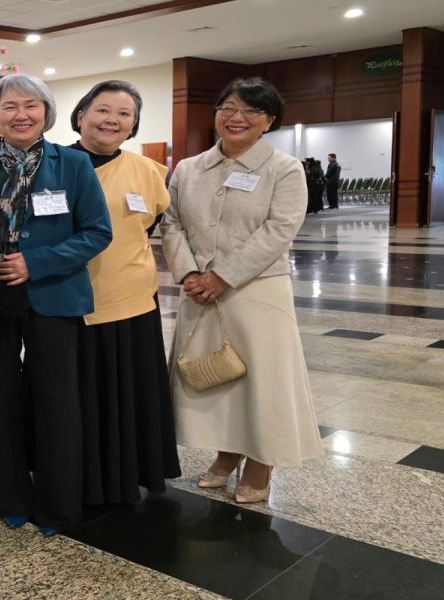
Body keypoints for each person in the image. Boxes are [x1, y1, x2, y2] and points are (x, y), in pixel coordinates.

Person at [159, 77, 322, 505]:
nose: (238, 117)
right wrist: (189, 273)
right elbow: (171, 223)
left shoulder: (284, 169)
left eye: (252, 111)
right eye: (228, 107)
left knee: (262, 381)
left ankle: (262, 462)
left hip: (257, 292)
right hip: (199, 291)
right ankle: (227, 454)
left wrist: (222, 276)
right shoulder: (189, 169)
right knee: (217, 379)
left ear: (269, 121)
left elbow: (280, 230)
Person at [0, 73, 112, 535]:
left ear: (47, 112)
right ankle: (9, 496)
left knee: (57, 403)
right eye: (9, 106)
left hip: (54, 294)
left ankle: (58, 506)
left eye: (31, 105)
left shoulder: (73, 164)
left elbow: (97, 232)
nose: (21, 115)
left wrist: (35, 263)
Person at [67, 80, 181, 506]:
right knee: (81, 394)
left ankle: (131, 471)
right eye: (102, 110)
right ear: (81, 115)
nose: (112, 120)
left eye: (124, 114)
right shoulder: (55, 164)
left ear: (133, 124)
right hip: (71, 302)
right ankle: (81, 475)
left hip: (132, 299)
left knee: (130, 392)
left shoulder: (149, 172)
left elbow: (153, 225)